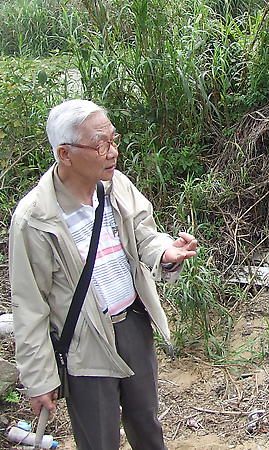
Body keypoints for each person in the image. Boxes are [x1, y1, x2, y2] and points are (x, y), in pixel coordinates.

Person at [9, 99, 198, 449]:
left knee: (147, 425)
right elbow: (29, 305)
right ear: (65, 154)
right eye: (100, 144)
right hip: (84, 344)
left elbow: (143, 231)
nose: (112, 152)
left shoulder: (114, 186)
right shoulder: (34, 219)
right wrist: (38, 379)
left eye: (114, 140)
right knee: (99, 439)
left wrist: (165, 253)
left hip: (133, 323)